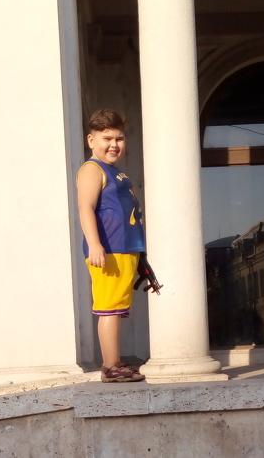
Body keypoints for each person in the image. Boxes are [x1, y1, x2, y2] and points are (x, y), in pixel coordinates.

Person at [76, 109, 146, 382]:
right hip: (108, 251)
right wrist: (95, 244)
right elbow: (86, 207)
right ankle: (111, 366)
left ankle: (115, 362)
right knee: (109, 308)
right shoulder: (92, 169)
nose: (114, 144)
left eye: (119, 138)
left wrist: (140, 256)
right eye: (107, 138)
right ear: (91, 140)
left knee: (117, 307)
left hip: (124, 251)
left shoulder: (117, 174)